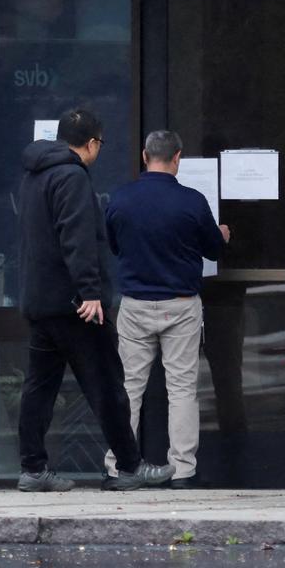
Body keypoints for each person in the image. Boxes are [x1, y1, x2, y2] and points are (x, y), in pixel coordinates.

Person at [15, 107, 172, 493]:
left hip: (41, 301)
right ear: (91, 143)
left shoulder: (34, 177)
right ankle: (130, 467)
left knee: (39, 388)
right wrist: (90, 292)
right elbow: (77, 237)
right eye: (99, 143)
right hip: (75, 305)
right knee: (107, 385)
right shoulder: (71, 177)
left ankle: (33, 469)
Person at [105, 129, 229, 489]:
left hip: (135, 304)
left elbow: (114, 245)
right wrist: (221, 236)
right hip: (181, 304)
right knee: (182, 389)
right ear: (177, 158)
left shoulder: (121, 198)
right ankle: (183, 470)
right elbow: (213, 251)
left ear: (145, 156)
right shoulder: (192, 201)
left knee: (128, 388)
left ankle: (119, 467)